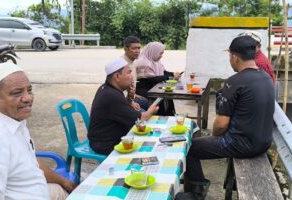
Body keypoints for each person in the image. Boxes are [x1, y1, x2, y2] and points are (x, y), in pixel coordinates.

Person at [175, 36, 275, 200]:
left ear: (235, 57)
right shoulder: (265, 77)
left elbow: (221, 125)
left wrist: (215, 137)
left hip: (243, 145)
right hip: (263, 142)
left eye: (229, 56)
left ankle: (196, 194)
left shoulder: (234, 82)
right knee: (201, 141)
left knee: (189, 147)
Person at [0, 62, 75, 200]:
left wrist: (63, 182)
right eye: (17, 93)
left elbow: (31, 163)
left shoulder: (13, 121)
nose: (28, 98)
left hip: (42, 191)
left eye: (29, 90)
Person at [88, 58, 159, 155]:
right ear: (117, 76)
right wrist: (151, 109)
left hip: (111, 137)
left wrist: (130, 97)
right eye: (129, 73)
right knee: (148, 148)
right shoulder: (111, 95)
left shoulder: (108, 89)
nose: (132, 77)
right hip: (106, 144)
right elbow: (141, 118)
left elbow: (122, 111)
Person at [134, 41, 182, 116]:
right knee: (160, 98)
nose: (161, 56)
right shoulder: (143, 63)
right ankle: (161, 118)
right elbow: (152, 79)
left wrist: (173, 74)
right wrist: (171, 77)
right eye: (160, 53)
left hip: (153, 87)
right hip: (144, 90)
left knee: (168, 95)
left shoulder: (155, 61)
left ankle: (170, 116)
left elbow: (163, 72)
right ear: (154, 52)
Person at [122, 36, 148, 111]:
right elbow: (117, 91)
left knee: (150, 103)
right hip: (122, 102)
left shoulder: (133, 63)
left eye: (139, 48)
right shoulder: (122, 64)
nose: (137, 51)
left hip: (130, 98)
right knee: (145, 114)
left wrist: (133, 95)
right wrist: (130, 102)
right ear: (125, 49)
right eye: (134, 48)